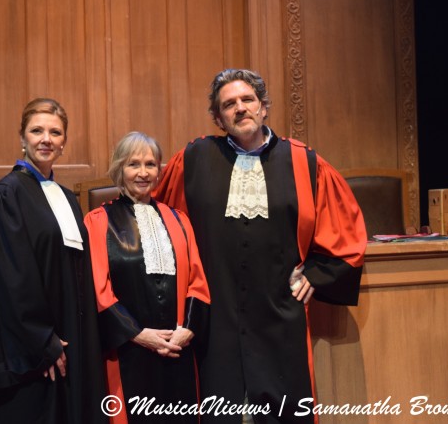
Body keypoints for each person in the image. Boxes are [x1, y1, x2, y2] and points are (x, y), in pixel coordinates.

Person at [153, 69, 367, 424]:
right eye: (229, 104)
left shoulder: (304, 162)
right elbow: (160, 222)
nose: (240, 108)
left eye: (247, 100)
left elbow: (344, 230)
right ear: (218, 118)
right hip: (214, 315)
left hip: (278, 313)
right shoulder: (193, 159)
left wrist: (317, 274)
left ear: (263, 107)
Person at [0, 98, 107, 424]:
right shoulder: (7, 195)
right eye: (37, 131)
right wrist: (43, 342)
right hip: (34, 352)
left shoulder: (66, 197)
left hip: (71, 341)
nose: (46, 139)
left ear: (64, 142)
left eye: (55, 132)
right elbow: (12, 279)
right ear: (22, 137)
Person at [84, 131, 211, 424]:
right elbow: (99, 290)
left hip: (178, 349)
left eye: (150, 164)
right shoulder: (98, 221)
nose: (143, 173)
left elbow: (198, 282)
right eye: (133, 164)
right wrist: (138, 334)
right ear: (120, 169)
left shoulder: (180, 220)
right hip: (128, 351)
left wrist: (188, 329)